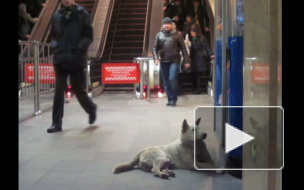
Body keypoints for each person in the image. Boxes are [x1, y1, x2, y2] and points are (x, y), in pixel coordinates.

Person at [47, 0, 97, 133]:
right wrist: (54, 45)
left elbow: (89, 36)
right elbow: (53, 34)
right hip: (60, 58)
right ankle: (56, 123)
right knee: (59, 90)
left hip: (76, 58)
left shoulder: (82, 13)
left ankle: (91, 108)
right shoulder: (57, 15)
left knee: (77, 88)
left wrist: (79, 48)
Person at [152, 17, 190, 106]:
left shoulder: (178, 34)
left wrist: (186, 60)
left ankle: (173, 98)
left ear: (171, 25)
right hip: (163, 61)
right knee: (166, 81)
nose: (166, 25)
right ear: (163, 25)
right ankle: (170, 98)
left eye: (168, 23)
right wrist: (156, 58)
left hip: (174, 61)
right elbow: (154, 48)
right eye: (165, 24)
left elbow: (183, 49)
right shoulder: (159, 35)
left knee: (172, 79)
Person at [189, 24, 214, 94]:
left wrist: (211, 54)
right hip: (195, 58)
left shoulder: (202, 38)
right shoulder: (193, 39)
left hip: (201, 59)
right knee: (195, 74)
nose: (192, 34)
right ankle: (196, 88)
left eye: (193, 33)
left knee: (199, 74)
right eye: (191, 33)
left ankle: (198, 89)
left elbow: (207, 47)